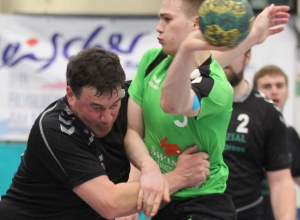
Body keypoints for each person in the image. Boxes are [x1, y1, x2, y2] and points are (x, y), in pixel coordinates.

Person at [123, 0, 291, 219]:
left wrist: (188, 47)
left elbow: (172, 103)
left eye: (167, 19)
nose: (159, 26)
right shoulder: (152, 60)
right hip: (161, 198)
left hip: (202, 204)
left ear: (196, 23)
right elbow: (133, 132)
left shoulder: (217, 86)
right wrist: (148, 172)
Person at [0, 47, 211, 220]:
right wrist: (179, 177)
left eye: (114, 104)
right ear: (70, 95)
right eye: (96, 107)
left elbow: (185, 90)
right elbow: (110, 203)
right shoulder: (55, 128)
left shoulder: (131, 98)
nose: (108, 117)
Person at [222, 51, 296, 220]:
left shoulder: (268, 112)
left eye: (232, 51)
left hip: (247, 211)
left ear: (247, 57)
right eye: (218, 49)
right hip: (195, 211)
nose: (224, 57)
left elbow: (281, 181)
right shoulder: (189, 102)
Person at [253, 65, 300, 220]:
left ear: (287, 93)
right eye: (267, 86)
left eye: (279, 86)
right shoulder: (240, 131)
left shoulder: (290, 134)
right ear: (254, 93)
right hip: (244, 212)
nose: (274, 91)